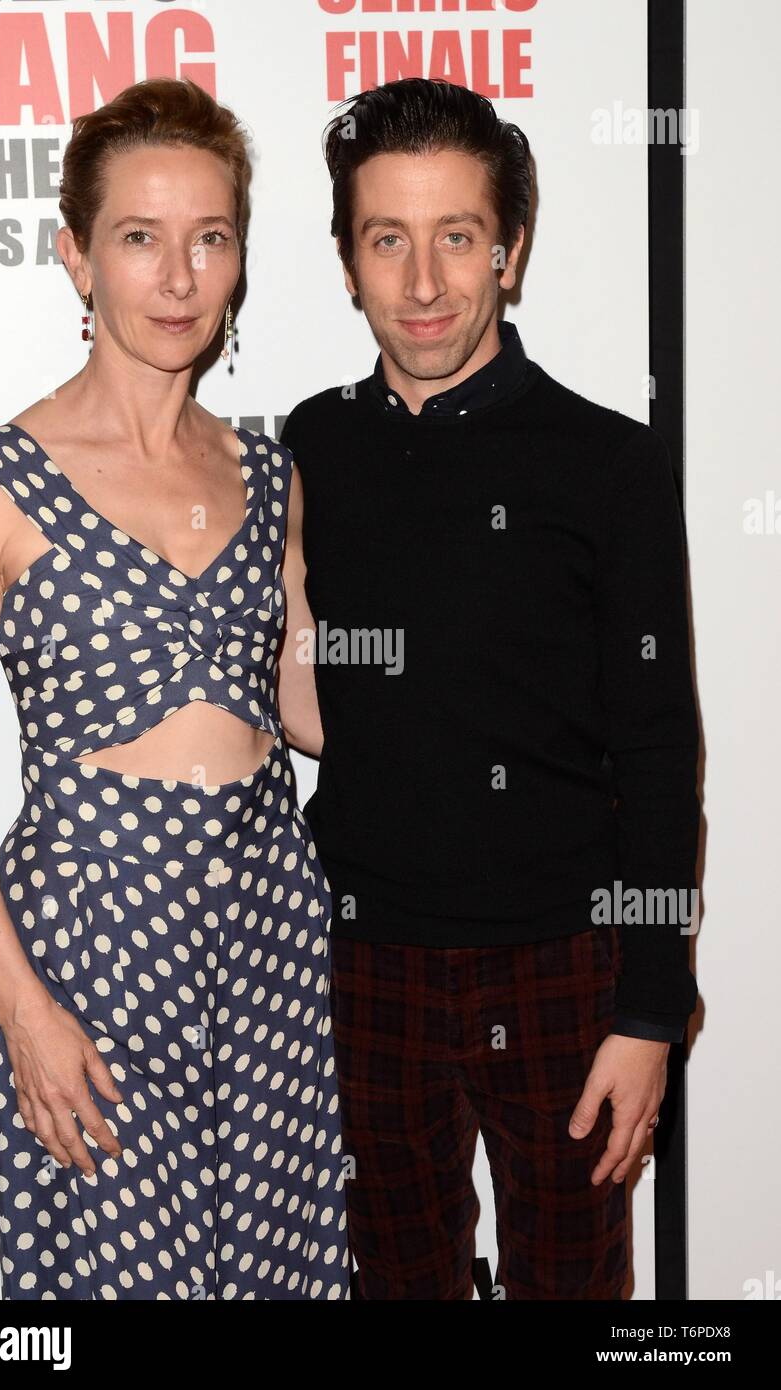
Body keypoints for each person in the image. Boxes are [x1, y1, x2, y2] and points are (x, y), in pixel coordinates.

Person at [0, 77, 348, 1301]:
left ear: (240, 260)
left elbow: (312, 708)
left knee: (281, 1273)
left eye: (210, 238)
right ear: (76, 257)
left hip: (270, 930)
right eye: (140, 239)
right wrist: (22, 1008)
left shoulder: (269, 474)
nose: (178, 278)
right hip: (90, 948)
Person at [279, 78, 700, 1300]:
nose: (421, 284)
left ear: (509, 251)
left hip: (565, 963)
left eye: (456, 237)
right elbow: (305, 692)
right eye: (386, 240)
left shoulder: (610, 463)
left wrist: (652, 1004)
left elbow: (661, 746)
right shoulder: (312, 445)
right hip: (362, 965)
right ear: (346, 259)